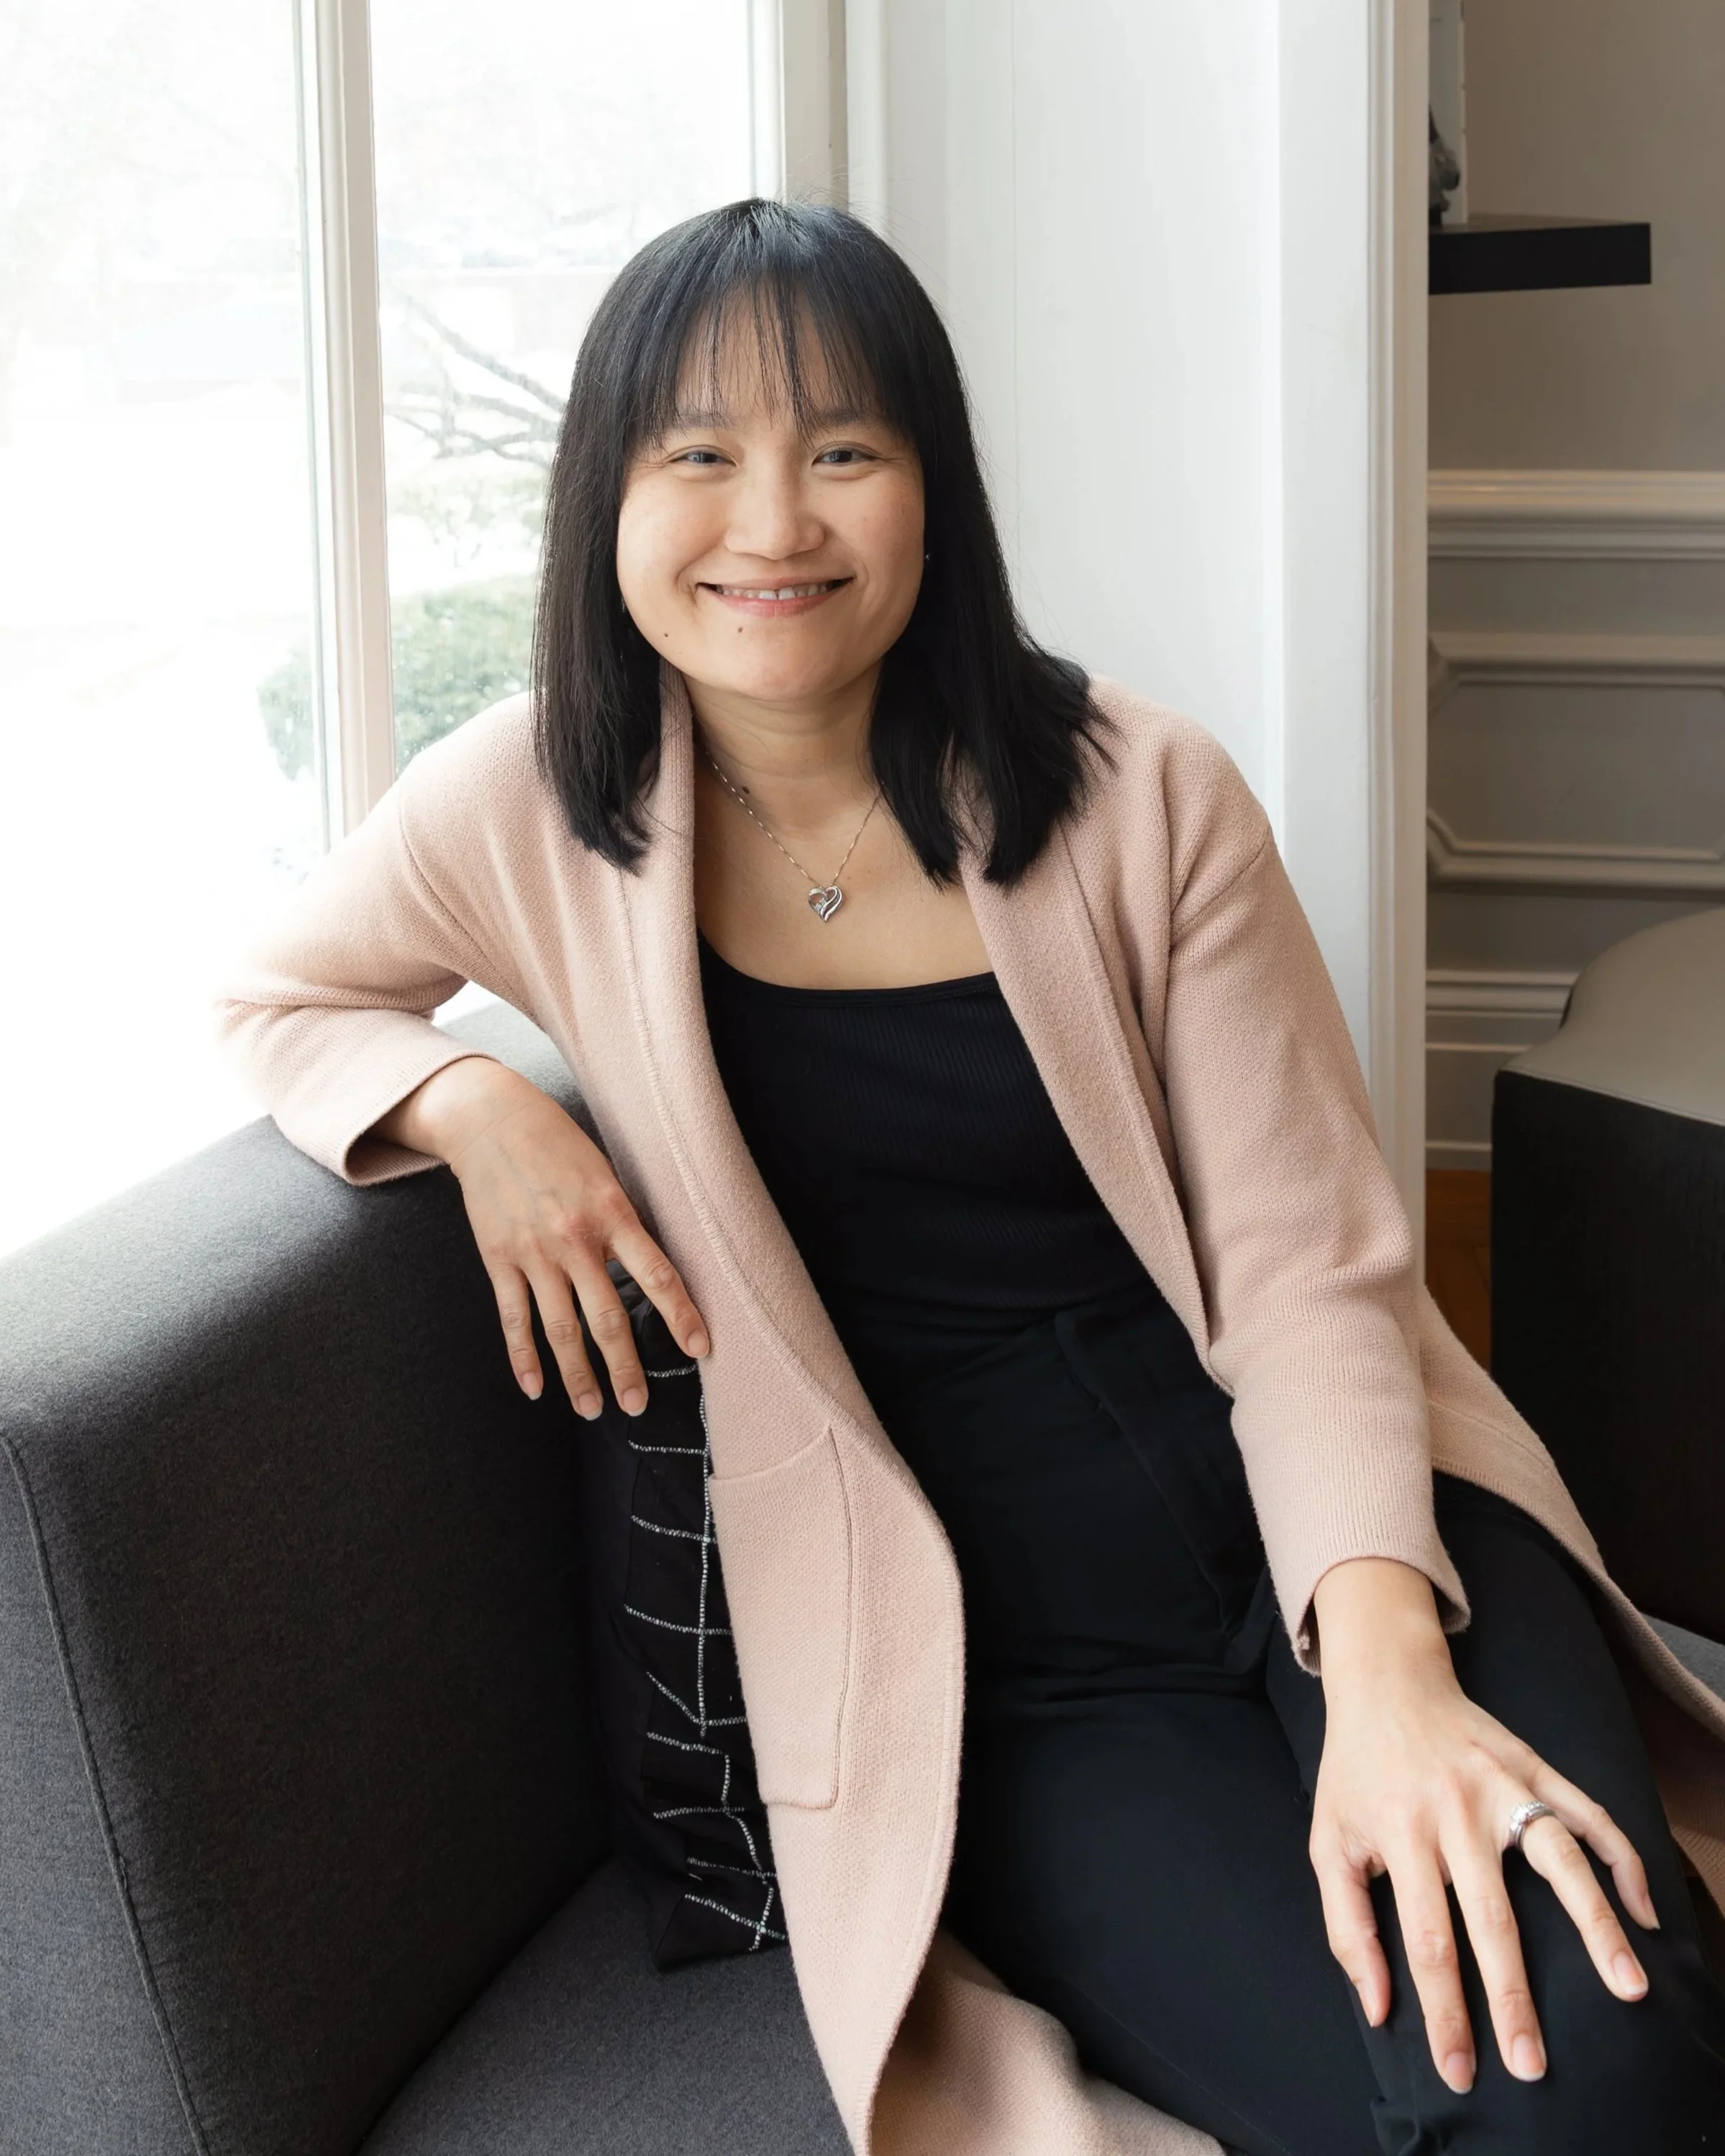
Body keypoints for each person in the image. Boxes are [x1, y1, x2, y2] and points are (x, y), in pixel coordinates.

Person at [215, 199, 1725, 2156]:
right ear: (606, 495)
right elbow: (278, 993)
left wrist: (1388, 1681)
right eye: (699, 454)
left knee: (1606, 2034)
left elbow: (1308, 1271)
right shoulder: (521, 806)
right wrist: (469, 1109)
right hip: (1007, 1664)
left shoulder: (1141, 792)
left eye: (841, 447)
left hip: (1346, 1515)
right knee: (1491, 2092)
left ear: (936, 493)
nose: (773, 521)